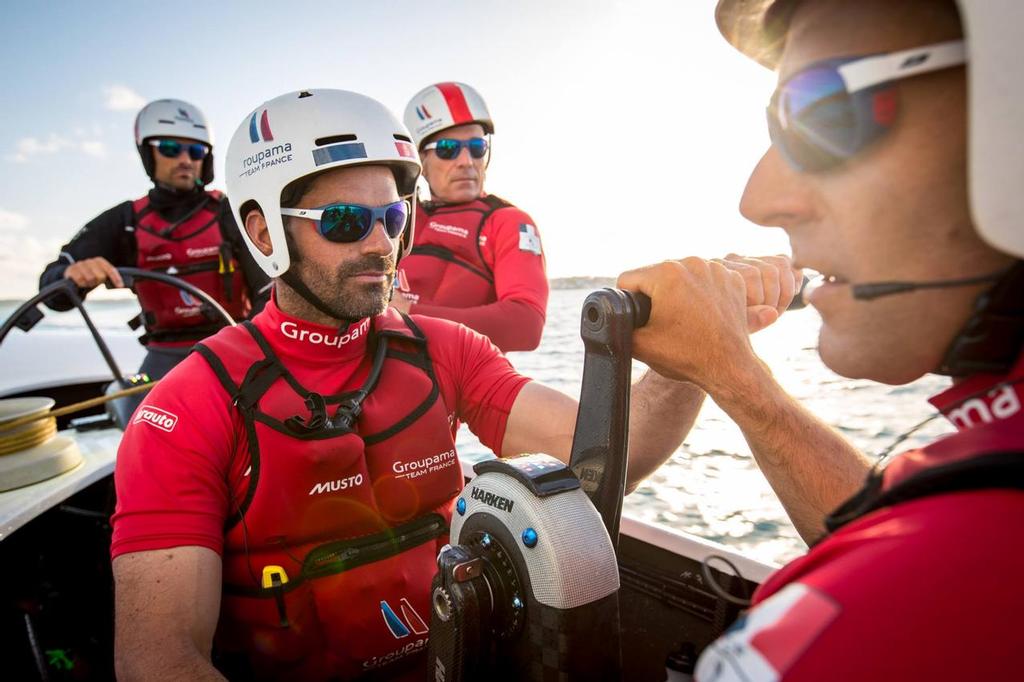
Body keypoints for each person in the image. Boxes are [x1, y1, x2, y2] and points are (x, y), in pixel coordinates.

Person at [108, 88, 799, 681]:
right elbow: (158, 659)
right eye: (346, 222)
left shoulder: (445, 351)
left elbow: (612, 459)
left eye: (393, 216)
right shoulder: (188, 405)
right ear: (261, 230)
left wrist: (707, 350)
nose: (381, 244)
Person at [619, 0, 1024, 679]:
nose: (758, 198)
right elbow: (903, 523)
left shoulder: (868, 623)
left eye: (826, 112)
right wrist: (725, 369)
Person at [38, 99, 271, 380]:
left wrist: (249, 350)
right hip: (163, 356)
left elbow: (270, 293)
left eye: (196, 150)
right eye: (170, 149)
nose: (185, 159)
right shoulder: (125, 221)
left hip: (233, 348)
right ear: (148, 154)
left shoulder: (231, 212)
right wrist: (70, 274)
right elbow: (52, 293)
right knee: (136, 416)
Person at [394, 82, 549, 352]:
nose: (466, 161)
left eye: (477, 147)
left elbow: (526, 325)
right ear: (421, 160)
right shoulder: (394, 216)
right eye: (446, 148)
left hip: (463, 382)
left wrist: (405, 313)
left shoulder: (507, 222)